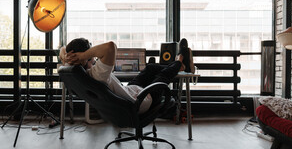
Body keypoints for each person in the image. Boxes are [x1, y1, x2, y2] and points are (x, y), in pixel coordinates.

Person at [59, 38, 194, 114]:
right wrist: (83, 56)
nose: (94, 56)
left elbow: (62, 53)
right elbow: (110, 46)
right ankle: (179, 63)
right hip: (140, 102)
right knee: (162, 76)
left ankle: (181, 66)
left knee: (151, 68)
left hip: (129, 93)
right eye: (91, 52)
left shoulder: (76, 73)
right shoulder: (98, 73)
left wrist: (72, 57)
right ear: (85, 56)